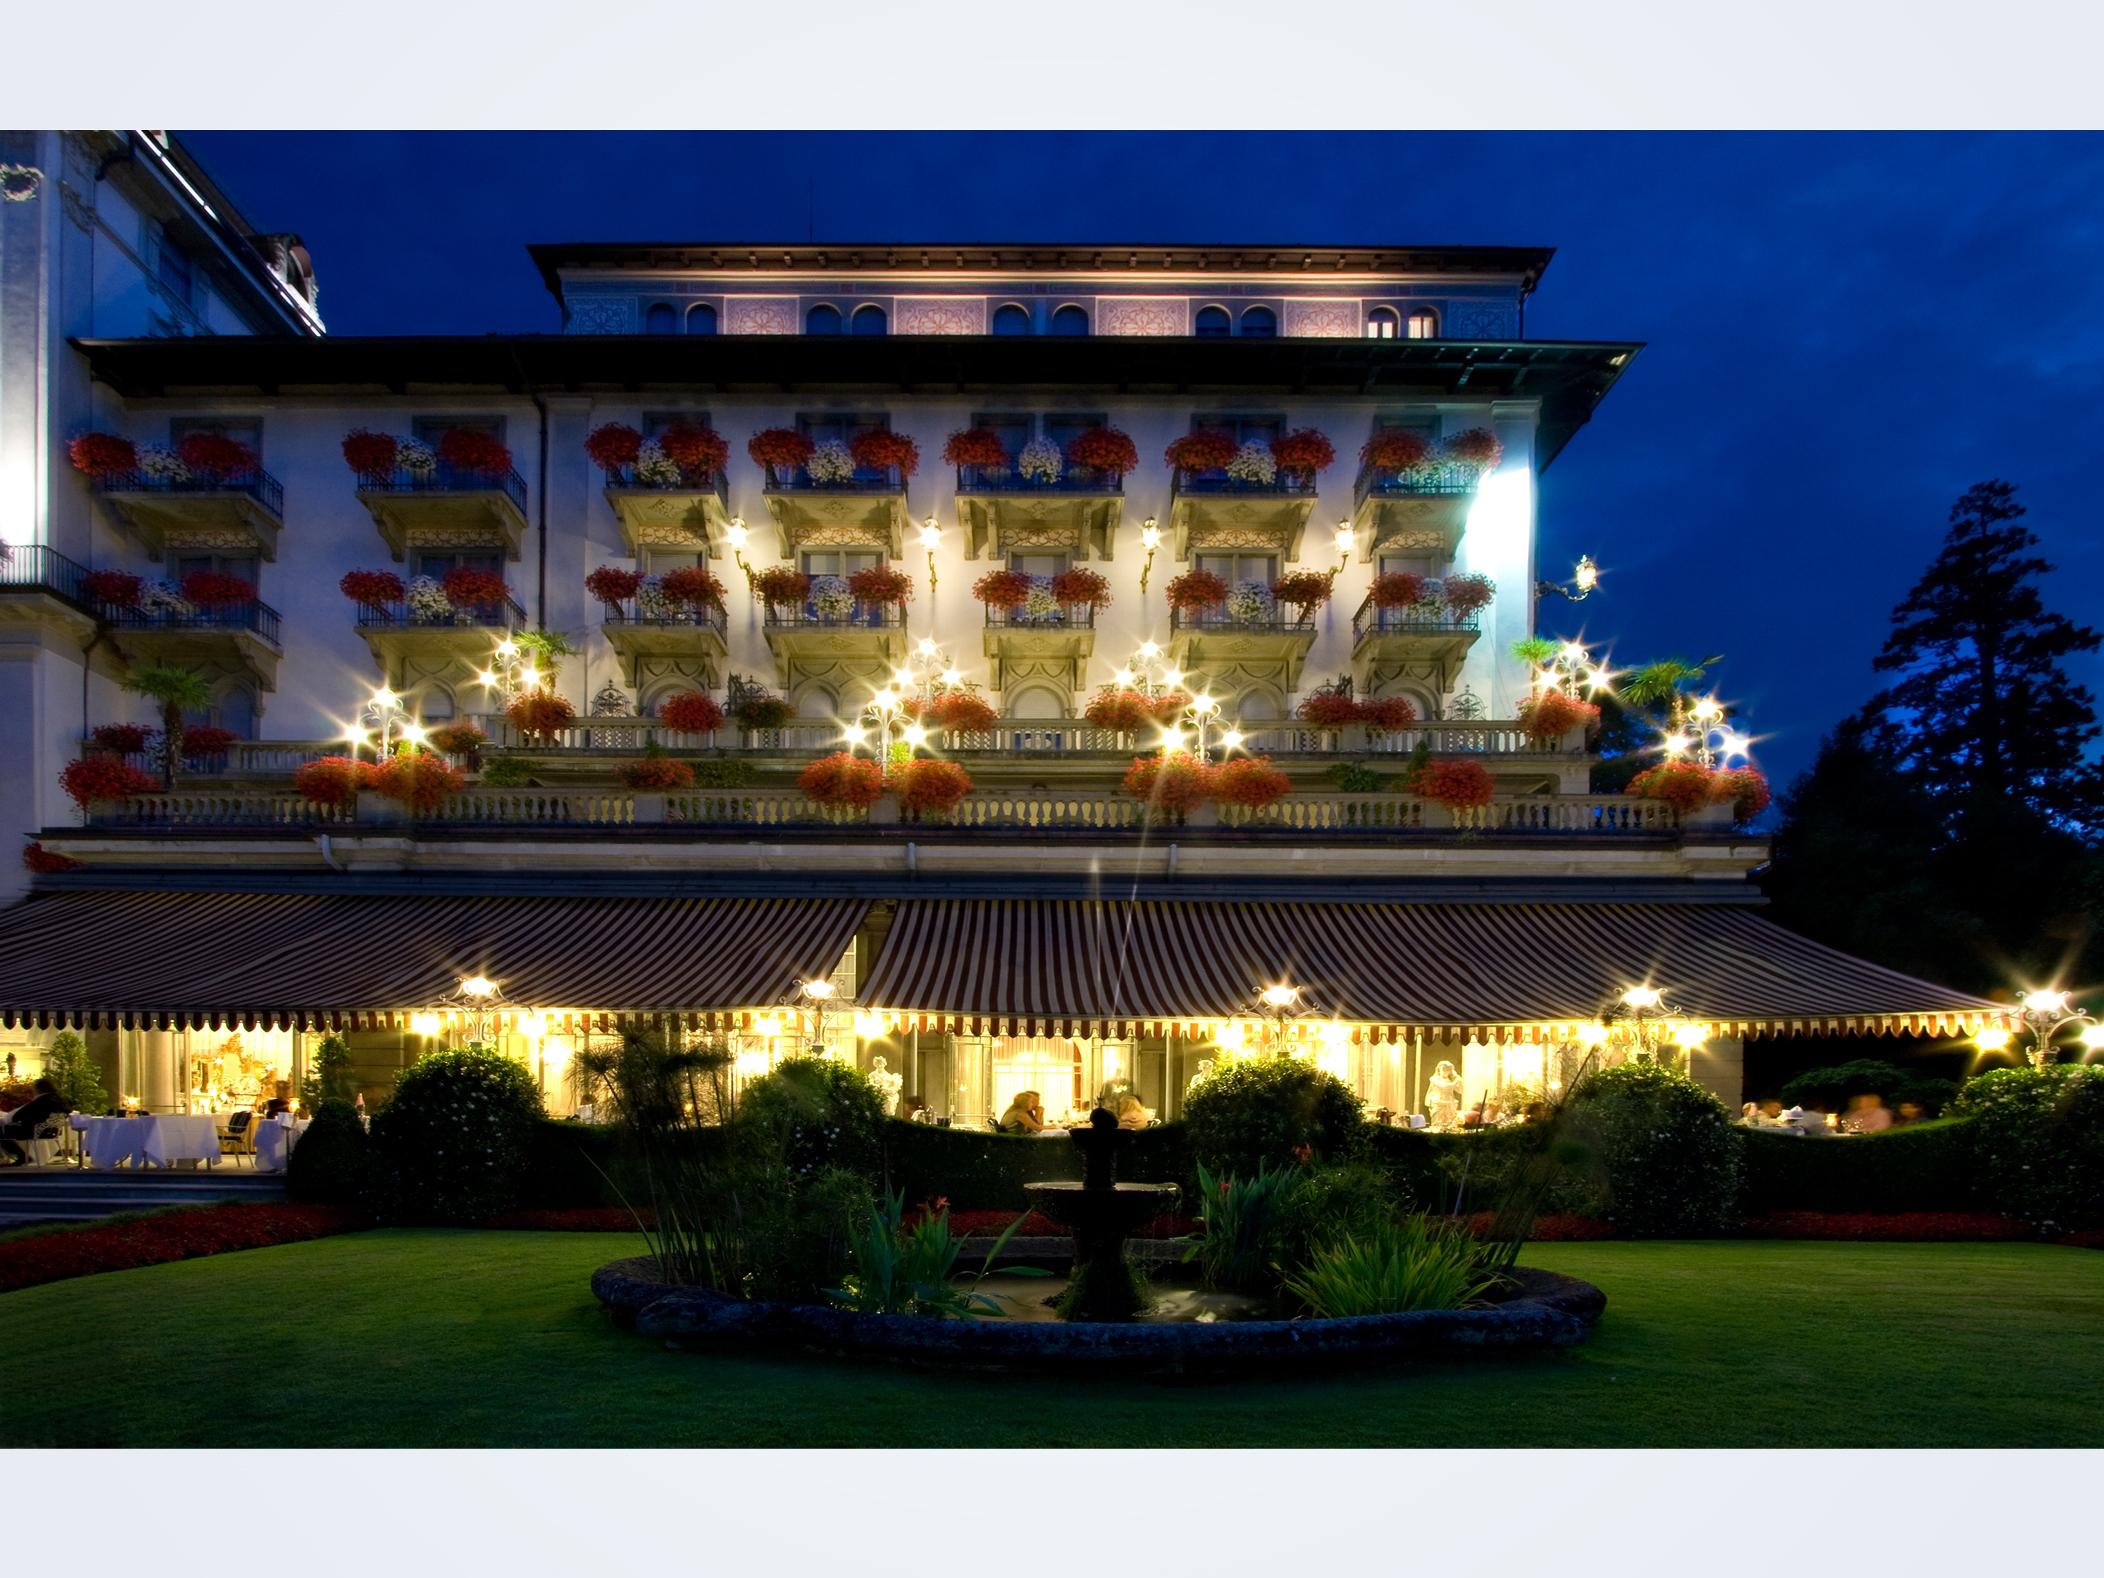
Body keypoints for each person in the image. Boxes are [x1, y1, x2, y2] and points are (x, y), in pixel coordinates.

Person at [0, 1078, 66, 1166]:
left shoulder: (41, 1100)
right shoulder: (58, 1099)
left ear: (38, 1088)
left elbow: (21, 1114)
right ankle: (21, 1156)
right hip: (51, 1131)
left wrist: (10, 1120)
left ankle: (22, 1156)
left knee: (2, 1131)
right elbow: (68, 1111)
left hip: (36, 1131)